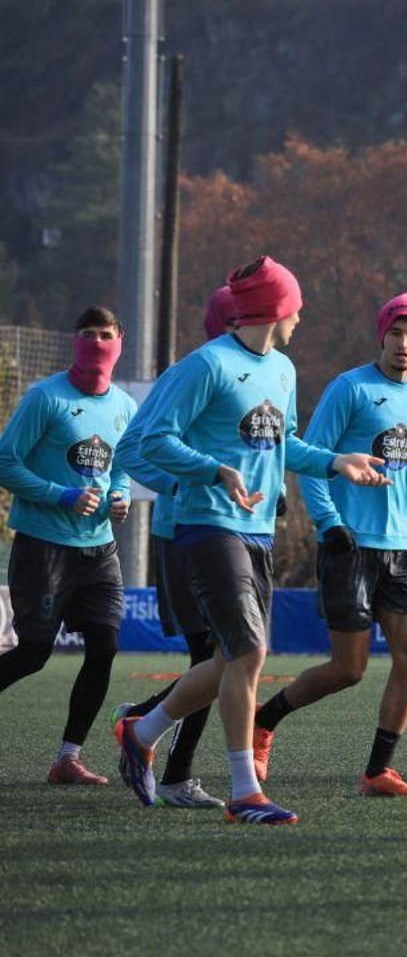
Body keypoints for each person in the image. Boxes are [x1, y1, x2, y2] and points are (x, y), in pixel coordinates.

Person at [114, 256, 389, 825]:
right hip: (207, 524)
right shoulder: (206, 365)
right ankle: (245, 792)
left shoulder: (283, 369)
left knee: (226, 660)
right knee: (250, 654)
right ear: (275, 308)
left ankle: (141, 733)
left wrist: (338, 461)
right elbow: (144, 440)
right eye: (296, 307)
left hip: (256, 531)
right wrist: (213, 471)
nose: (300, 319)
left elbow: (284, 443)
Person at [249, 293, 407, 798]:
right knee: (348, 669)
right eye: (396, 332)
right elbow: (313, 460)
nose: (404, 343)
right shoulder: (350, 388)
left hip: (401, 553)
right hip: (349, 547)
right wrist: (331, 523)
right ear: (382, 335)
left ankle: (379, 771)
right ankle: (263, 720)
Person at [108, 286, 238, 808]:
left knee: (220, 655)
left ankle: (143, 725)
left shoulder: (260, 373)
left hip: (233, 532)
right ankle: (172, 769)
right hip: (183, 533)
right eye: (234, 319)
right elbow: (132, 450)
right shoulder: (190, 373)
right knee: (215, 654)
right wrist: (180, 484)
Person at [0, 306, 136, 786]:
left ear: (120, 339)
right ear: (73, 339)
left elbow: (121, 466)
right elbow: (5, 462)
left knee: (105, 645)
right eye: (87, 334)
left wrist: (118, 496)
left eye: (105, 334)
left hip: (100, 550)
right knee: (34, 653)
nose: (96, 342)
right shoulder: (45, 398)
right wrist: (62, 495)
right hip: (45, 547)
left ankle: (67, 758)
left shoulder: (123, 405)